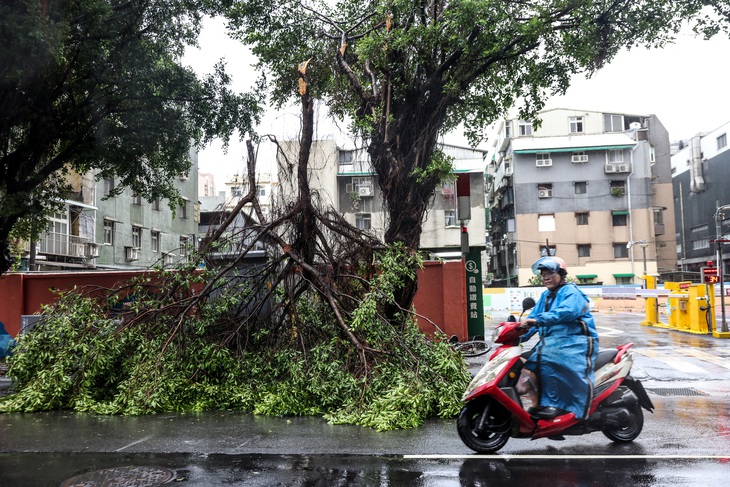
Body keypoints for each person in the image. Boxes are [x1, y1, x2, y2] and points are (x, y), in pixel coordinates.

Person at [515, 256, 599, 420]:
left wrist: (538, 321)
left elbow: (565, 312)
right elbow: (533, 317)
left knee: (552, 360)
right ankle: (538, 405)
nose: (546, 277)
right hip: (554, 344)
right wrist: (517, 332)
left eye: (550, 273)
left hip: (576, 342)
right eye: (543, 274)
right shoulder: (545, 296)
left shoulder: (571, 292)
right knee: (525, 365)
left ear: (561, 275)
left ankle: (559, 406)